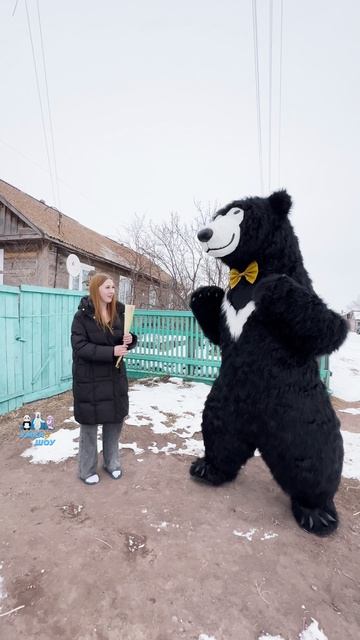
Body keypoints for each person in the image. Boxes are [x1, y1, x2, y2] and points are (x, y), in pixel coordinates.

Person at [71, 273, 137, 485]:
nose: (112, 291)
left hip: (113, 377)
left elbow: (123, 341)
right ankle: (86, 469)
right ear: (96, 289)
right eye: (108, 287)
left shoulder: (118, 312)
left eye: (113, 288)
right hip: (89, 379)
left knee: (114, 422)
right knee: (89, 426)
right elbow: (80, 347)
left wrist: (131, 339)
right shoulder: (82, 317)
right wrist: (112, 351)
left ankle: (112, 463)